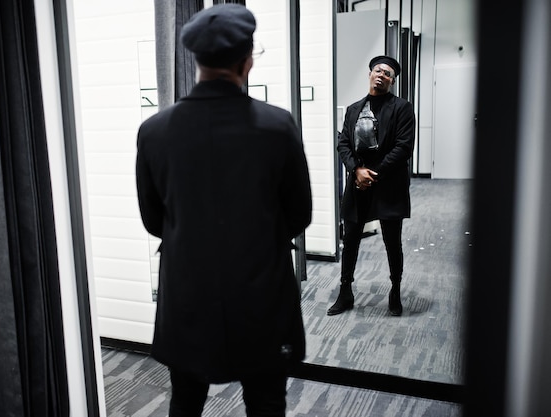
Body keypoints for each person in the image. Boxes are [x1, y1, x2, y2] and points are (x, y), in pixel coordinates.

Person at [135, 4, 313, 416]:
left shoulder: (154, 131)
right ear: (247, 60)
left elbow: (151, 219)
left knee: (185, 401)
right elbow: (299, 214)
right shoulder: (277, 125)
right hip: (261, 291)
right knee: (267, 403)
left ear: (195, 59)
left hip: (187, 291)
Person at [327, 55, 415, 317]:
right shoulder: (354, 109)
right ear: (370, 73)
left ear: (392, 81)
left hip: (388, 182)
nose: (382, 75)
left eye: (388, 74)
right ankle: (346, 291)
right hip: (358, 182)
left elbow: (404, 147)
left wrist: (372, 173)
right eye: (378, 70)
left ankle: (395, 290)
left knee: (392, 240)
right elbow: (343, 142)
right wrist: (356, 170)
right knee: (351, 238)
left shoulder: (402, 108)